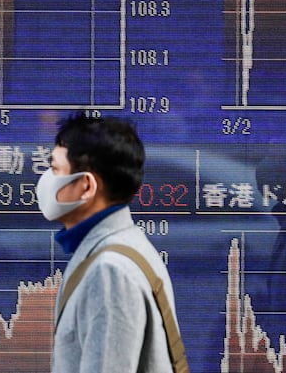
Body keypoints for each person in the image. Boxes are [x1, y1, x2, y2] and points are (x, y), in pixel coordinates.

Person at [37, 112, 185, 373]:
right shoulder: (117, 248)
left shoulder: (110, 270)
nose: (47, 179)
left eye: (55, 169)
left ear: (86, 185)